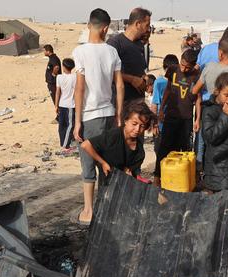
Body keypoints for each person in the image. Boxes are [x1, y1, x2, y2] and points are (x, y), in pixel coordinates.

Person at [72, 8, 124, 225]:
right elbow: (119, 84)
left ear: (89, 26)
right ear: (105, 28)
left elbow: (80, 89)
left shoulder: (80, 52)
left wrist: (76, 121)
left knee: (88, 163)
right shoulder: (111, 52)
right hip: (109, 114)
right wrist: (119, 114)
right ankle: (106, 207)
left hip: (90, 116)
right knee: (107, 161)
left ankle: (89, 210)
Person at [192, 37, 228, 165]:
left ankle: (200, 168)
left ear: (220, 53)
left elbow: (195, 90)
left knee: (203, 141)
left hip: (208, 111)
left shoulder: (209, 67)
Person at [154, 49, 200, 185]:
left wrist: (197, 119)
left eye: (187, 67)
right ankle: (157, 177)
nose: (184, 68)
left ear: (193, 66)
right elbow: (168, 90)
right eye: (182, 64)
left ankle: (182, 180)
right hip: (171, 115)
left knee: (184, 149)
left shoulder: (197, 75)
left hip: (186, 118)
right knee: (164, 147)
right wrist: (161, 109)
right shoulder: (173, 70)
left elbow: (198, 99)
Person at [81, 100, 155, 181]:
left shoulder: (139, 148)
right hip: (108, 182)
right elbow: (85, 145)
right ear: (126, 121)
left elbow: (131, 169)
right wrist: (103, 163)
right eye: (134, 124)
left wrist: (128, 171)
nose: (137, 129)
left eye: (142, 126)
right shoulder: (113, 135)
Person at [107, 7, 151, 103]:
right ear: (138, 24)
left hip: (137, 102)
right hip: (120, 103)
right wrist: (132, 80)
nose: (148, 29)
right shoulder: (115, 43)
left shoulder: (139, 44)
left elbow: (139, 70)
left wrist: (144, 77)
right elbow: (107, 72)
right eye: (147, 25)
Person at [151, 54, 179, 154]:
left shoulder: (158, 82)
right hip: (170, 122)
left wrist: (154, 123)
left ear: (164, 67)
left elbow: (154, 105)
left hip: (162, 122)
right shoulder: (179, 82)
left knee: (160, 150)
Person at [54, 58, 77, 151]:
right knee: (70, 125)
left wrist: (56, 105)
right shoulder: (74, 77)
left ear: (63, 66)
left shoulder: (59, 77)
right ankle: (65, 145)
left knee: (62, 125)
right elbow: (76, 92)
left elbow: (57, 92)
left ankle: (63, 143)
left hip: (61, 103)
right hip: (70, 104)